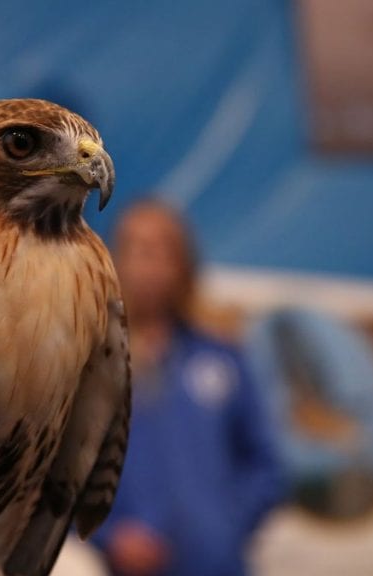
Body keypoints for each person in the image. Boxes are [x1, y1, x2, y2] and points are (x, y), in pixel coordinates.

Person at [93, 200, 285, 576]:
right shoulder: (90, 368)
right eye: (140, 249)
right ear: (116, 259)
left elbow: (266, 465)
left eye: (165, 249)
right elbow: (51, 480)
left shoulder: (223, 358)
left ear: (184, 263)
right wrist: (107, 535)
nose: (152, 265)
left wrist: (227, 524)